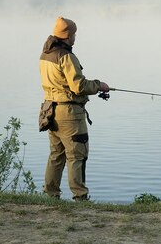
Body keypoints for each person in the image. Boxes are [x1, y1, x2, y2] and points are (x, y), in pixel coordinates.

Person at [39, 16, 109, 200]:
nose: (75, 37)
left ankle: (50, 195)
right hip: (69, 114)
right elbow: (79, 86)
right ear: (67, 35)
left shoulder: (45, 54)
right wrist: (98, 85)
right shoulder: (66, 56)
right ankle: (80, 197)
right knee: (77, 155)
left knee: (56, 155)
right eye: (74, 34)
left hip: (49, 110)